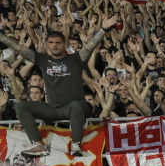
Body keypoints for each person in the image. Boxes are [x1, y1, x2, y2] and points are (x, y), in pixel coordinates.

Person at [3, 15, 118, 158]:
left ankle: (76, 144)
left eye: (58, 42)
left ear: (65, 44)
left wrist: (102, 29)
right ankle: (38, 144)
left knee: (77, 105)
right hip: (52, 109)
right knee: (20, 106)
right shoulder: (42, 60)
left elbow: (91, 45)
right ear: (47, 45)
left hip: (74, 108)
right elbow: (18, 48)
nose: (54, 45)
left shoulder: (76, 58)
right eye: (51, 42)